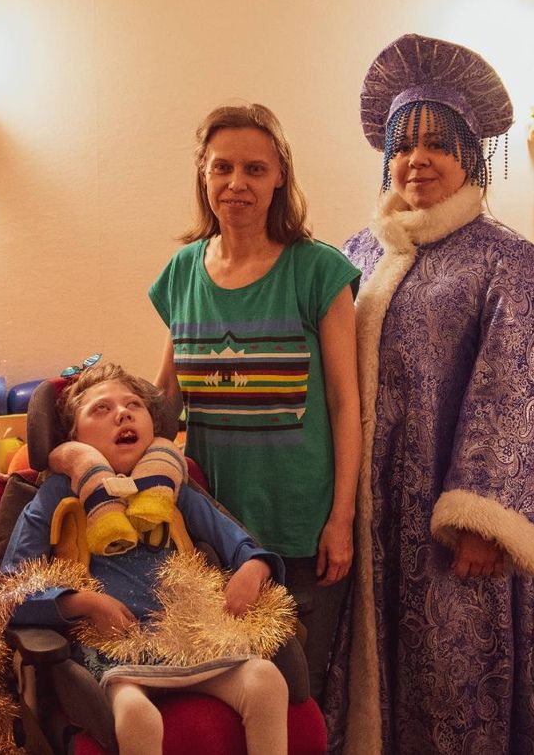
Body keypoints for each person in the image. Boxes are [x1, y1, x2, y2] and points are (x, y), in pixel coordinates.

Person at [324, 33, 534, 754]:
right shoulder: (360, 252)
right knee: (367, 670)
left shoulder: (508, 260)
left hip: (446, 518)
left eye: (436, 143)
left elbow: (517, 390)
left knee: (448, 681)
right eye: (402, 145)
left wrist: (483, 519)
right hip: (368, 508)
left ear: (471, 153)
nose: (416, 160)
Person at [148, 104, 361, 701]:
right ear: (204, 173)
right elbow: (166, 397)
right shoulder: (182, 272)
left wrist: (341, 519)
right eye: (223, 167)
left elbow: (346, 404)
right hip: (211, 530)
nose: (236, 183)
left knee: (295, 696)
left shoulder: (318, 270)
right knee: (224, 696)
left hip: (300, 526)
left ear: (279, 178)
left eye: (255, 169)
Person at [0, 361, 292, 755]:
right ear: (75, 437)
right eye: (101, 409)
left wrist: (254, 567)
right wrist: (84, 603)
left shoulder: (173, 488)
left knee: (266, 679)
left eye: (134, 405)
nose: (123, 413)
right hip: (113, 650)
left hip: (189, 636)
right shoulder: (55, 494)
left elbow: (241, 544)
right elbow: (11, 592)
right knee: (136, 714)